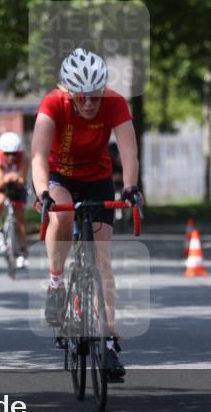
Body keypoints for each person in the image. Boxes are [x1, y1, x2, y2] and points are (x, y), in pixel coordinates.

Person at [32, 48, 142, 381]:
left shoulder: (115, 103)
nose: (90, 103)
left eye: (95, 96)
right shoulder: (52, 104)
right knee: (62, 217)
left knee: (102, 260)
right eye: (82, 98)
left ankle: (107, 342)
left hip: (96, 178)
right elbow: (38, 153)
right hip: (58, 175)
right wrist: (42, 194)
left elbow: (129, 149)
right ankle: (56, 281)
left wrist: (131, 187)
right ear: (68, 92)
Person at [0, 131, 29, 269]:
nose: (11, 157)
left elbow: (22, 180)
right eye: (7, 154)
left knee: (20, 220)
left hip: (18, 186)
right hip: (3, 183)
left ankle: (23, 252)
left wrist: (17, 179)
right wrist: (8, 178)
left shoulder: (24, 157)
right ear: (2, 152)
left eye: (14, 154)